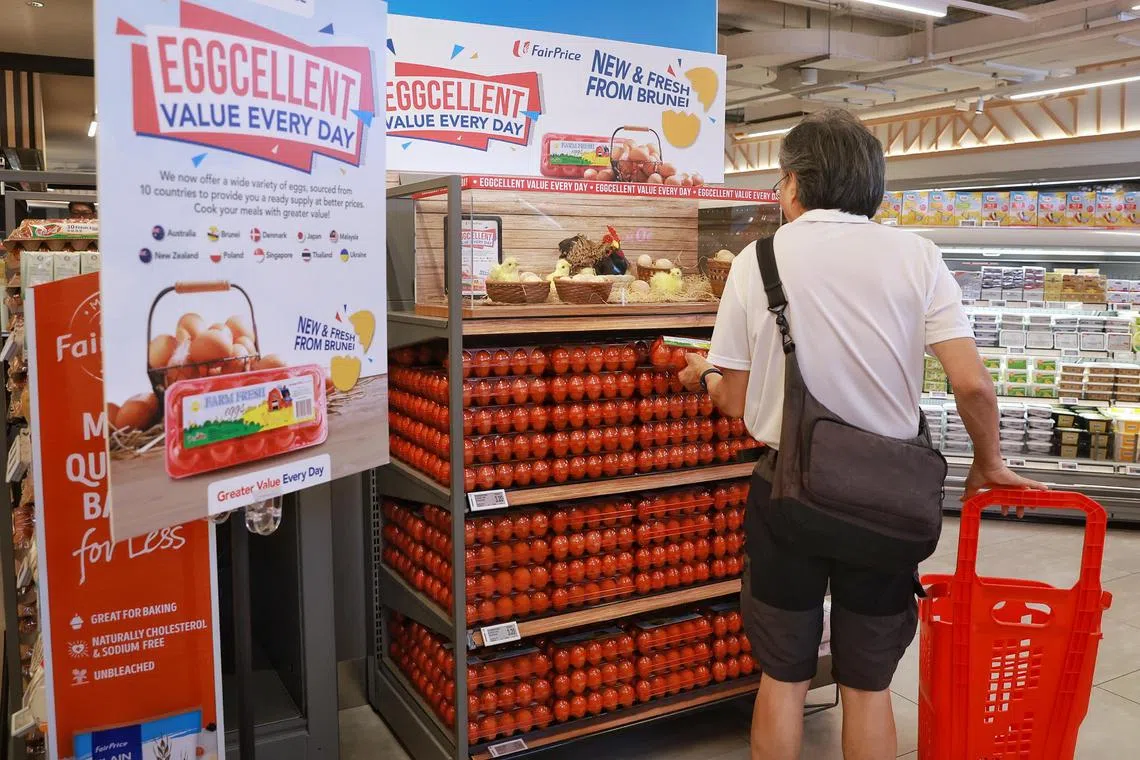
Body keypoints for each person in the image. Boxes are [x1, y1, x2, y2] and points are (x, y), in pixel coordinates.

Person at [679, 108, 1044, 760]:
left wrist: (702, 374)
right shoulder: (917, 256)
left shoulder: (756, 261)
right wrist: (987, 464)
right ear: (869, 184)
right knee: (869, 685)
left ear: (793, 184)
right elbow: (974, 386)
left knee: (785, 678)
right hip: (887, 499)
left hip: (787, 494)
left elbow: (733, 402)